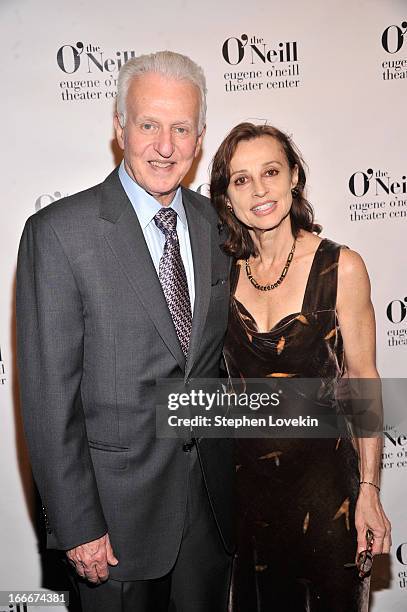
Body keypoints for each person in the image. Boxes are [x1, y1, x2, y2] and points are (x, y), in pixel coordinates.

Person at [16, 51, 234, 612]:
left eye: (181, 128)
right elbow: (48, 398)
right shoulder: (60, 235)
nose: (165, 146)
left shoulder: (216, 224)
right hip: (113, 524)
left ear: (200, 137)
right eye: (149, 125)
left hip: (210, 513)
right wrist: (77, 523)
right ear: (119, 127)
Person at [210, 122, 391, 611]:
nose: (260, 189)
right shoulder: (218, 275)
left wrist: (370, 490)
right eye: (241, 179)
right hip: (247, 499)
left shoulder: (341, 268)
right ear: (226, 196)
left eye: (271, 171)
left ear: (294, 177)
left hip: (327, 493)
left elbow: (363, 382)